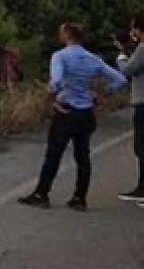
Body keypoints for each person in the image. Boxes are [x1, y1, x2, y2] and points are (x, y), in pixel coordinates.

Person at [18, 22, 127, 211]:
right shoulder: (92, 58)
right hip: (85, 112)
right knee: (82, 155)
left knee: (54, 154)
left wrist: (53, 99)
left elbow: (57, 80)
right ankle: (79, 197)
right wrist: (102, 94)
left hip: (67, 110)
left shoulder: (60, 56)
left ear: (67, 34)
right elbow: (120, 79)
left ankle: (42, 193)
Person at [117, 17, 144, 202]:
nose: (131, 32)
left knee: (141, 147)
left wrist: (121, 57)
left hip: (143, 102)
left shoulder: (142, 49)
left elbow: (127, 70)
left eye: (133, 28)